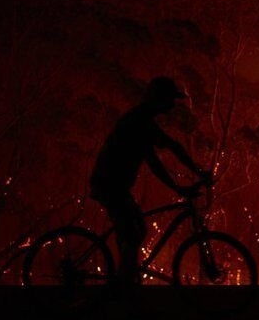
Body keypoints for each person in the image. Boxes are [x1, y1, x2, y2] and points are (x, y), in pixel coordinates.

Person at [89, 76, 210, 292]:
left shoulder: (145, 119)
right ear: (158, 99)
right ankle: (122, 288)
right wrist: (178, 188)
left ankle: (124, 277)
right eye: (169, 99)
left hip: (116, 185)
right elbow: (155, 164)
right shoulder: (138, 123)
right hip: (109, 184)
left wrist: (198, 171)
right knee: (133, 233)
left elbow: (173, 146)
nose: (172, 105)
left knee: (136, 230)